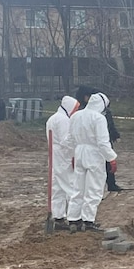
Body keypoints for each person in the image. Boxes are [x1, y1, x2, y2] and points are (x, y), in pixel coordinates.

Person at [66, 92, 117, 232]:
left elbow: (69, 139)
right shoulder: (99, 118)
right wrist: (111, 158)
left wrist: (72, 155)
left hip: (79, 152)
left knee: (78, 187)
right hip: (94, 154)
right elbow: (102, 142)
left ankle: (73, 219)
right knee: (94, 188)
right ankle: (88, 221)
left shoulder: (76, 115)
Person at [75, 85, 123, 192]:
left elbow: (110, 123)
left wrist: (114, 134)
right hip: (94, 147)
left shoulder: (103, 112)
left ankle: (111, 183)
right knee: (92, 178)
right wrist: (111, 158)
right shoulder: (90, 115)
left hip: (91, 147)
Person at [45, 96, 80, 231]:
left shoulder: (52, 118)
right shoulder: (64, 120)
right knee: (70, 185)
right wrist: (74, 152)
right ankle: (75, 217)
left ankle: (58, 217)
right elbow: (67, 141)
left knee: (57, 188)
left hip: (54, 155)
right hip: (62, 157)